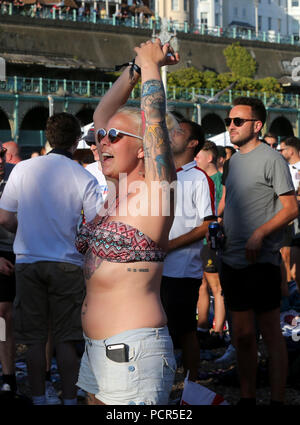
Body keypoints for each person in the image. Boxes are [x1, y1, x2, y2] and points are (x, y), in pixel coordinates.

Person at [75, 39, 180, 405]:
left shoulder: (155, 193)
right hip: (96, 350)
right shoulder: (115, 190)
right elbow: (103, 115)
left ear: (142, 149)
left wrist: (153, 67)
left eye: (114, 137)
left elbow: (154, 126)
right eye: (99, 137)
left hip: (132, 354)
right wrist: (133, 70)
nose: (102, 139)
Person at [0, 112, 103, 405]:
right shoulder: (84, 176)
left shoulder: (22, 169)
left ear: (48, 137)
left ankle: (38, 397)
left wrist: (29, 230)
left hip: (28, 260)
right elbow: (95, 227)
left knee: (34, 340)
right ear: (76, 141)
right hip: (68, 263)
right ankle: (69, 399)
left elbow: (6, 218)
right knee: (67, 339)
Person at [220, 96, 298, 405]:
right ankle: (248, 397)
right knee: (241, 336)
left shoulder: (272, 158)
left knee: (270, 334)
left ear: (256, 125)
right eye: (229, 121)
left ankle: (277, 399)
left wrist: (260, 234)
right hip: (231, 258)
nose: (231, 126)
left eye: (237, 121)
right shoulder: (233, 160)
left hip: (261, 260)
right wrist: (217, 222)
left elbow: (291, 208)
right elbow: (229, 201)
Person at [160, 121, 216, 382]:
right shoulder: (163, 172)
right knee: (160, 328)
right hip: (156, 266)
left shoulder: (198, 177)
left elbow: (208, 224)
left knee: (184, 330)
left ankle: (192, 385)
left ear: (193, 143)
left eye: (178, 131)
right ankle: (163, 382)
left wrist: (169, 245)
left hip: (182, 268)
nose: (172, 134)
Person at [194, 140, 226, 348]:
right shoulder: (199, 179)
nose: (195, 159)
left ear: (210, 157)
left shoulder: (221, 179)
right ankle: (202, 327)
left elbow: (223, 210)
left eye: (199, 155)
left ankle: (218, 331)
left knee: (217, 287)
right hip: (198, 239)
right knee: (201, 285)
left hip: (213, 239)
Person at [0, 143, 17, 394]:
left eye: (1, 155)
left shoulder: (15, 178)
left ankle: (9, 376)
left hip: (17, 252)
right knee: (2, 314)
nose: (0, 161)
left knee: (6, 317)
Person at [278, 136, 300, 295]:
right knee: (285, 255)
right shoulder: (282, 168)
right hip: (285, 218)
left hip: (298, 218)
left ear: (291, 150)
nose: (279, 152)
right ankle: (289, 292)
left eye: (282, 149)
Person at [82, 127, 108, 200]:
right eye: (89, 143)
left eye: (95, 143)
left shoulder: (122, 169)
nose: (92, 148)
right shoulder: (88, 171)